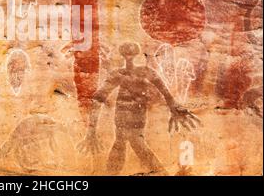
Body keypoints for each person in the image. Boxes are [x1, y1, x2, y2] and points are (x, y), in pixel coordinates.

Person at [78, 42, 200, 174]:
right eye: (127, 53)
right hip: (124, 119)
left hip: (134, 119)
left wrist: (173, 106)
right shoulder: (124, 74)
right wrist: (91, 131)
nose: (129, 56)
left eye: (130, 53)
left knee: (127, 143)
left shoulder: (140, 73)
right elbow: (98, 98)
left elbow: (165, 92)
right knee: (126, 143)